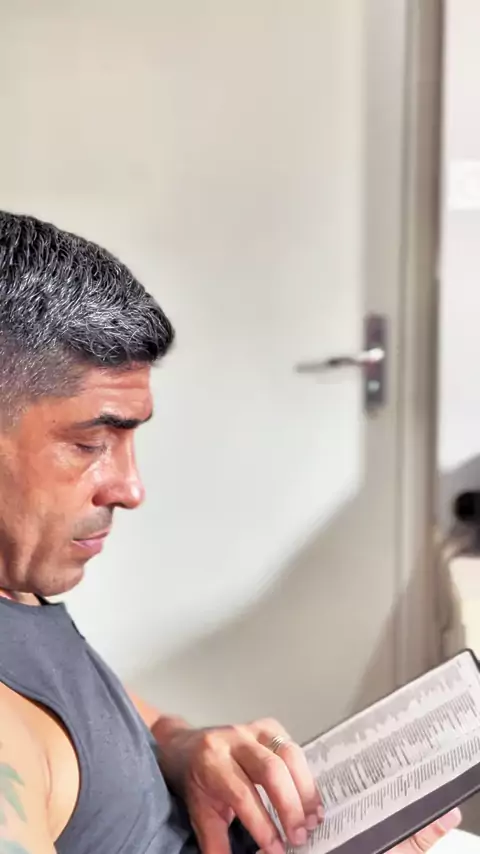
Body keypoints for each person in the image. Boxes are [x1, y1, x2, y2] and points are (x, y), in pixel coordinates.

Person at [0, 210, 461, 854]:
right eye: (90, 443)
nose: (130, 489)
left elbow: (92, 713)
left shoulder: (19, 583)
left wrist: (181, 744)